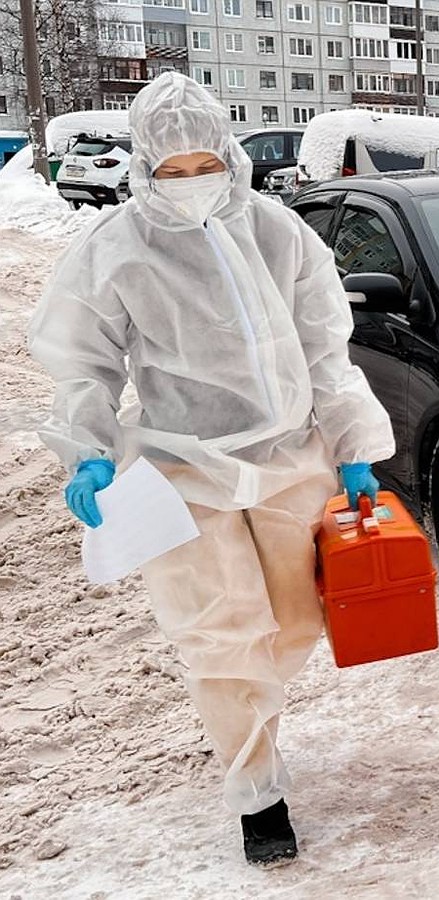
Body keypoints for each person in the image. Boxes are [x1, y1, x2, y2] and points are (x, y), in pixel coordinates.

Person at [28, 72, 395, 866]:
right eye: (172, 168)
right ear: (144, 166)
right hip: (178, 465)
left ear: (229, 155)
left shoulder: (276, 230)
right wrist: (89, 451)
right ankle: (258, 794)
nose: (191, 181)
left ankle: (253, 714)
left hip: (290, 454)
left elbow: (325, 346)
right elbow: (84, 361)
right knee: (223, 633)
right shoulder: (116, 247)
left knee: (294, 624)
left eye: (205, 164)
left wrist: (355, 446)